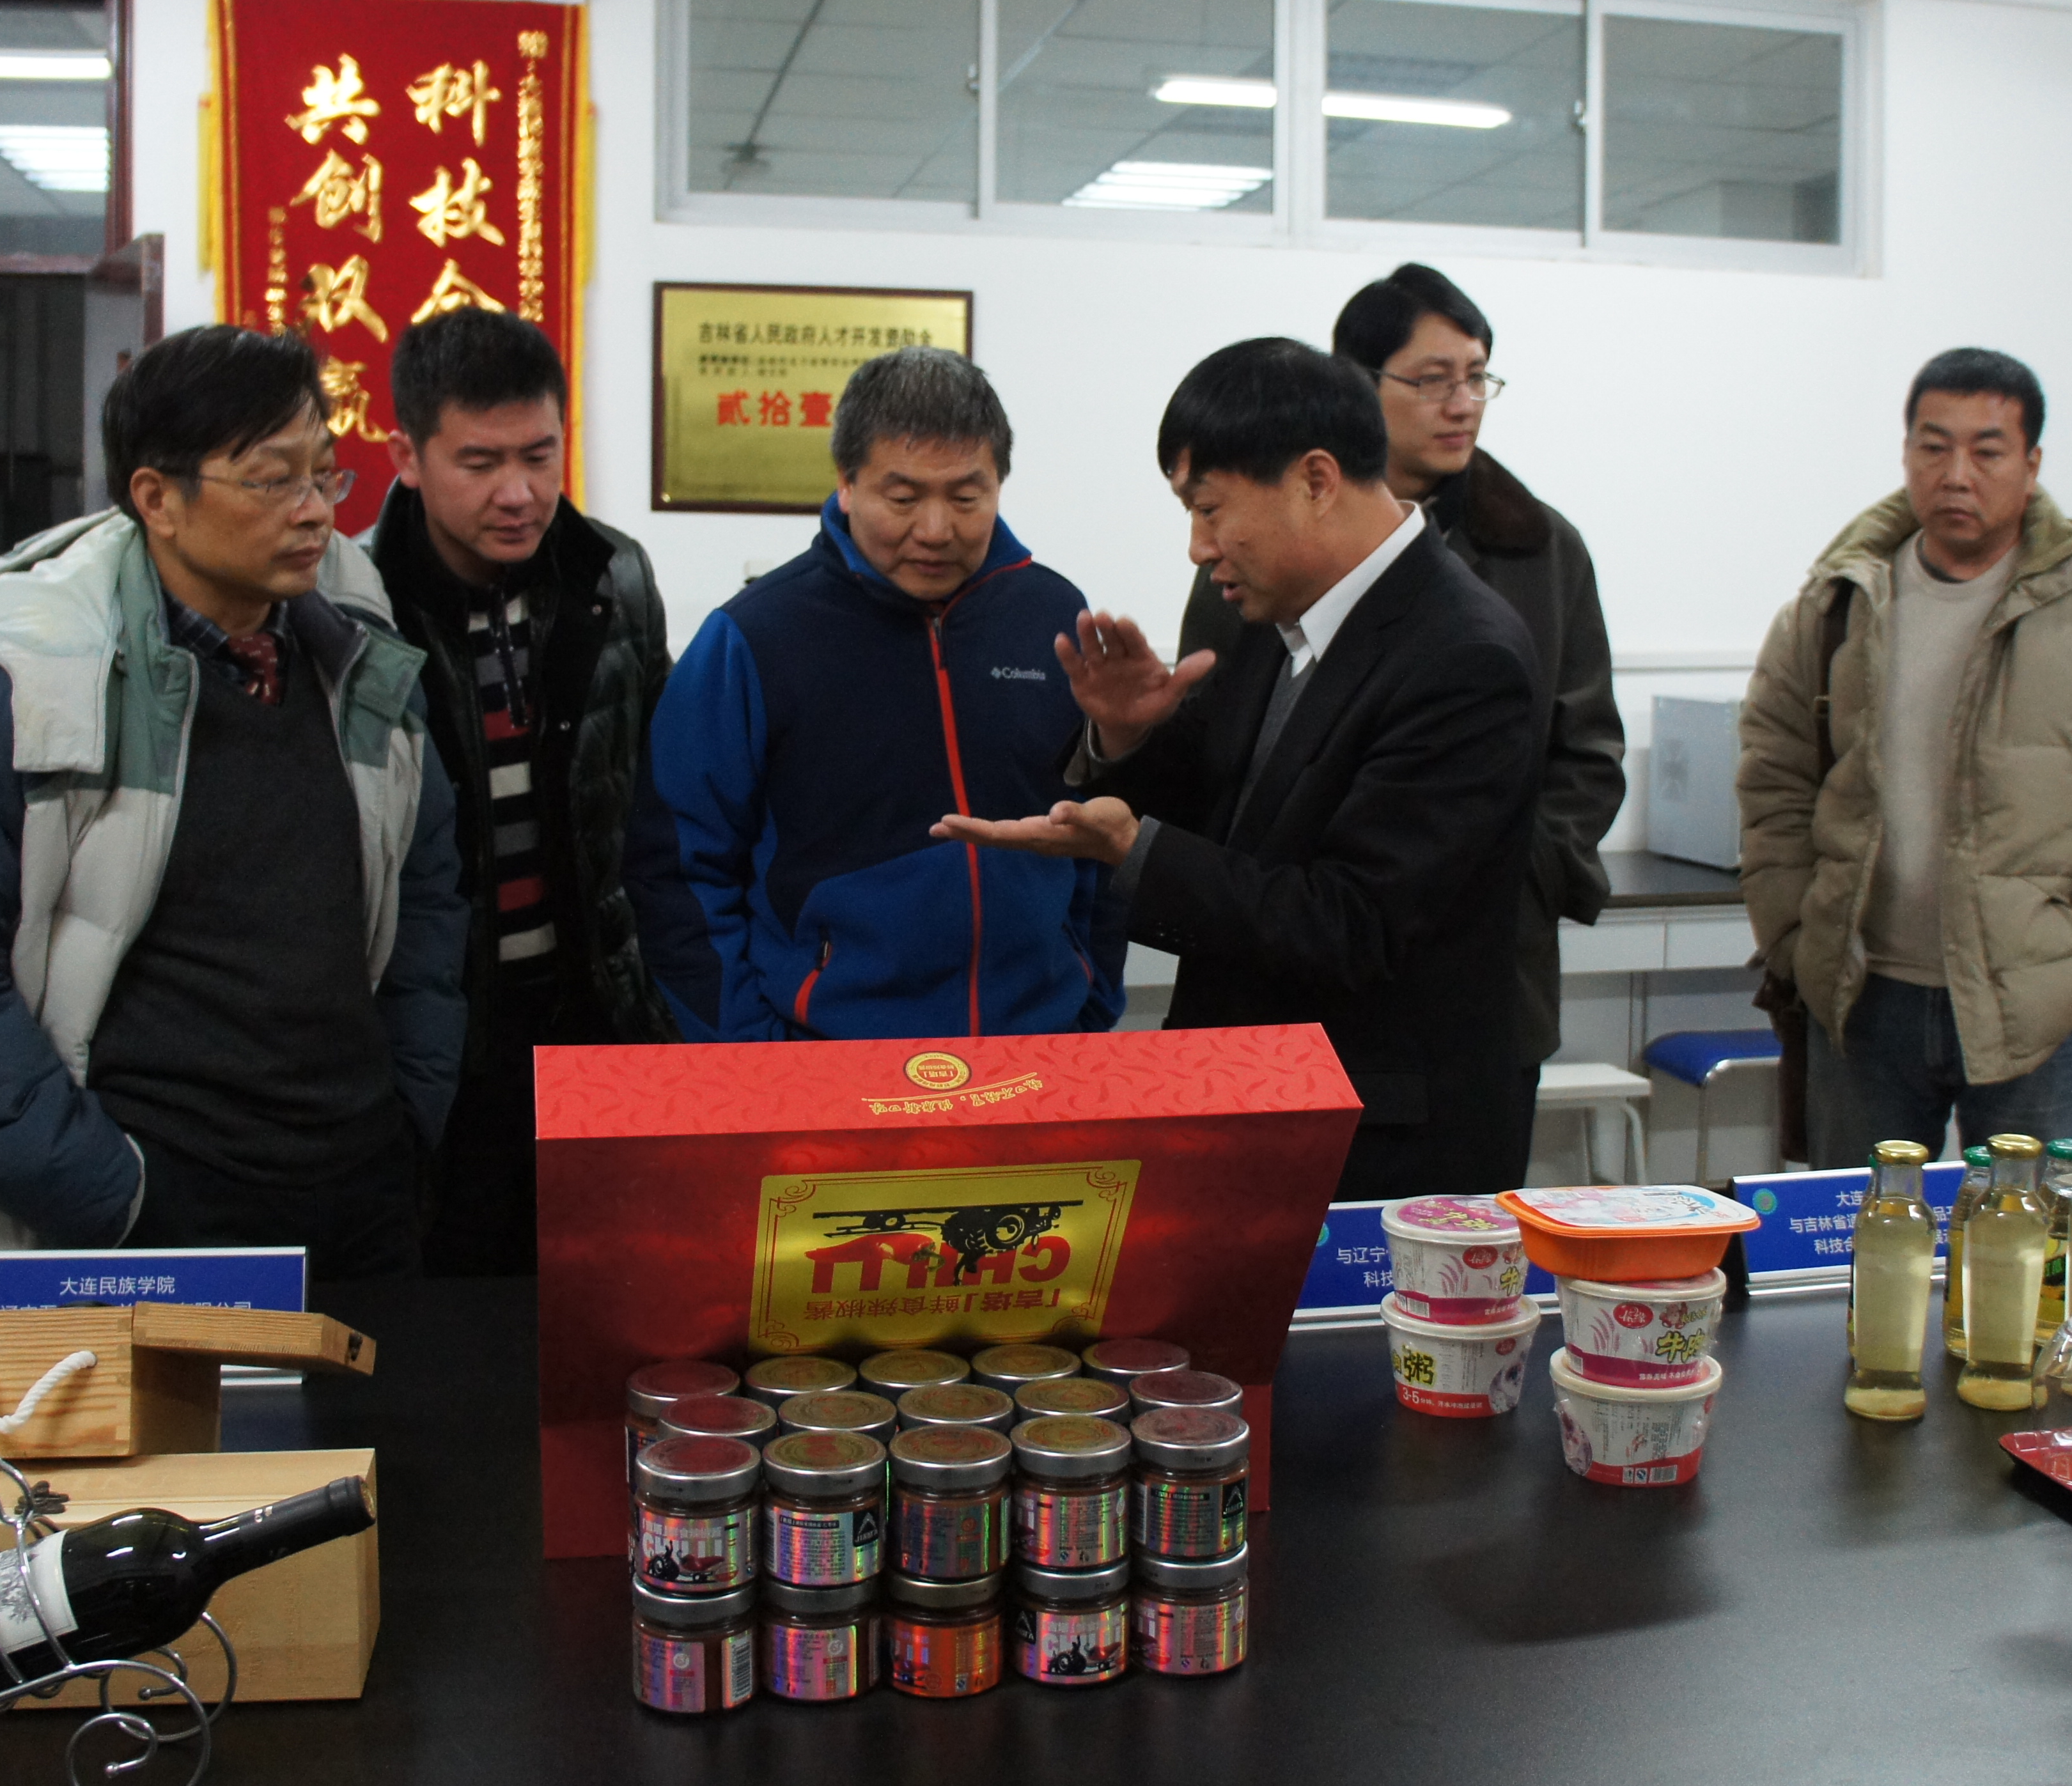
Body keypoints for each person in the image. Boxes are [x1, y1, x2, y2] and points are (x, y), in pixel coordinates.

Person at [0, 325, 468, 1291]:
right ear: (157, 498)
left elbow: (426, 902)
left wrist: (408, 1119)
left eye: (324, 475)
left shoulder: (361, 664)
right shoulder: (17, 690)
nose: (314, 511)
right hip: (137, 1219)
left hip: (358, 1198)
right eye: (272, 480)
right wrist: (109, 1192)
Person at [938, 338, 1543, 1202]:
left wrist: (1133, 851)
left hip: (1377, 1146)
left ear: (1315, 481)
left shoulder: (1462, 656)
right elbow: (1224, 816)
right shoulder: (1270, 618)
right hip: (1251, 1095)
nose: (1198, 547)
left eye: (1210, 509)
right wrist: (1128, 738)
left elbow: (1352, 923)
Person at [1736, 346, 2072, 1169]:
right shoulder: (1833, 605)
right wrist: (1794, 941)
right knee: (1861, 1236)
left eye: (1987, 451)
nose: (1956, 475)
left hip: (2037, 1008)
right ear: (1906, 455)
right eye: (1934, 447)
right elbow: (1773, 784)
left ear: (2031, 465)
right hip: (1861, 1000)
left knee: (2032, 1243)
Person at [1180, 263, 1625, 1087]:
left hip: (1471, 975)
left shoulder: (1539, 547)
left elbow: (1586, 752)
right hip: (1283, 956)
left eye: (1477, 377)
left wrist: (1510, 876)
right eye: (1431, 380)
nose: (1462, 404)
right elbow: (1221, 750)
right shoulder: (1259, 554)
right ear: (1354, 385)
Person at [626, 346, 1123, 1041]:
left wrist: (1092, 1003)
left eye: (966, 497)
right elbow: (677, 868)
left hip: (1038, 1042)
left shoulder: (1054, 617)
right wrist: (750, 1053)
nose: (935, 530)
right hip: (826, 1056)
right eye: (903, 498)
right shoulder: (755, 637)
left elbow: (1100, 827)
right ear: (847, 482)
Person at [368, 308, 675, 1276]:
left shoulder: (613, 577)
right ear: (407, 458)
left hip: (595, 1017)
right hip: (440, 1032)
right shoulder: (358, 606)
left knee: (607, 1284)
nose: (520, 492)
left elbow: (657, 802)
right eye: (480, 462)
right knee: (452, 1297)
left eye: (541, 456)